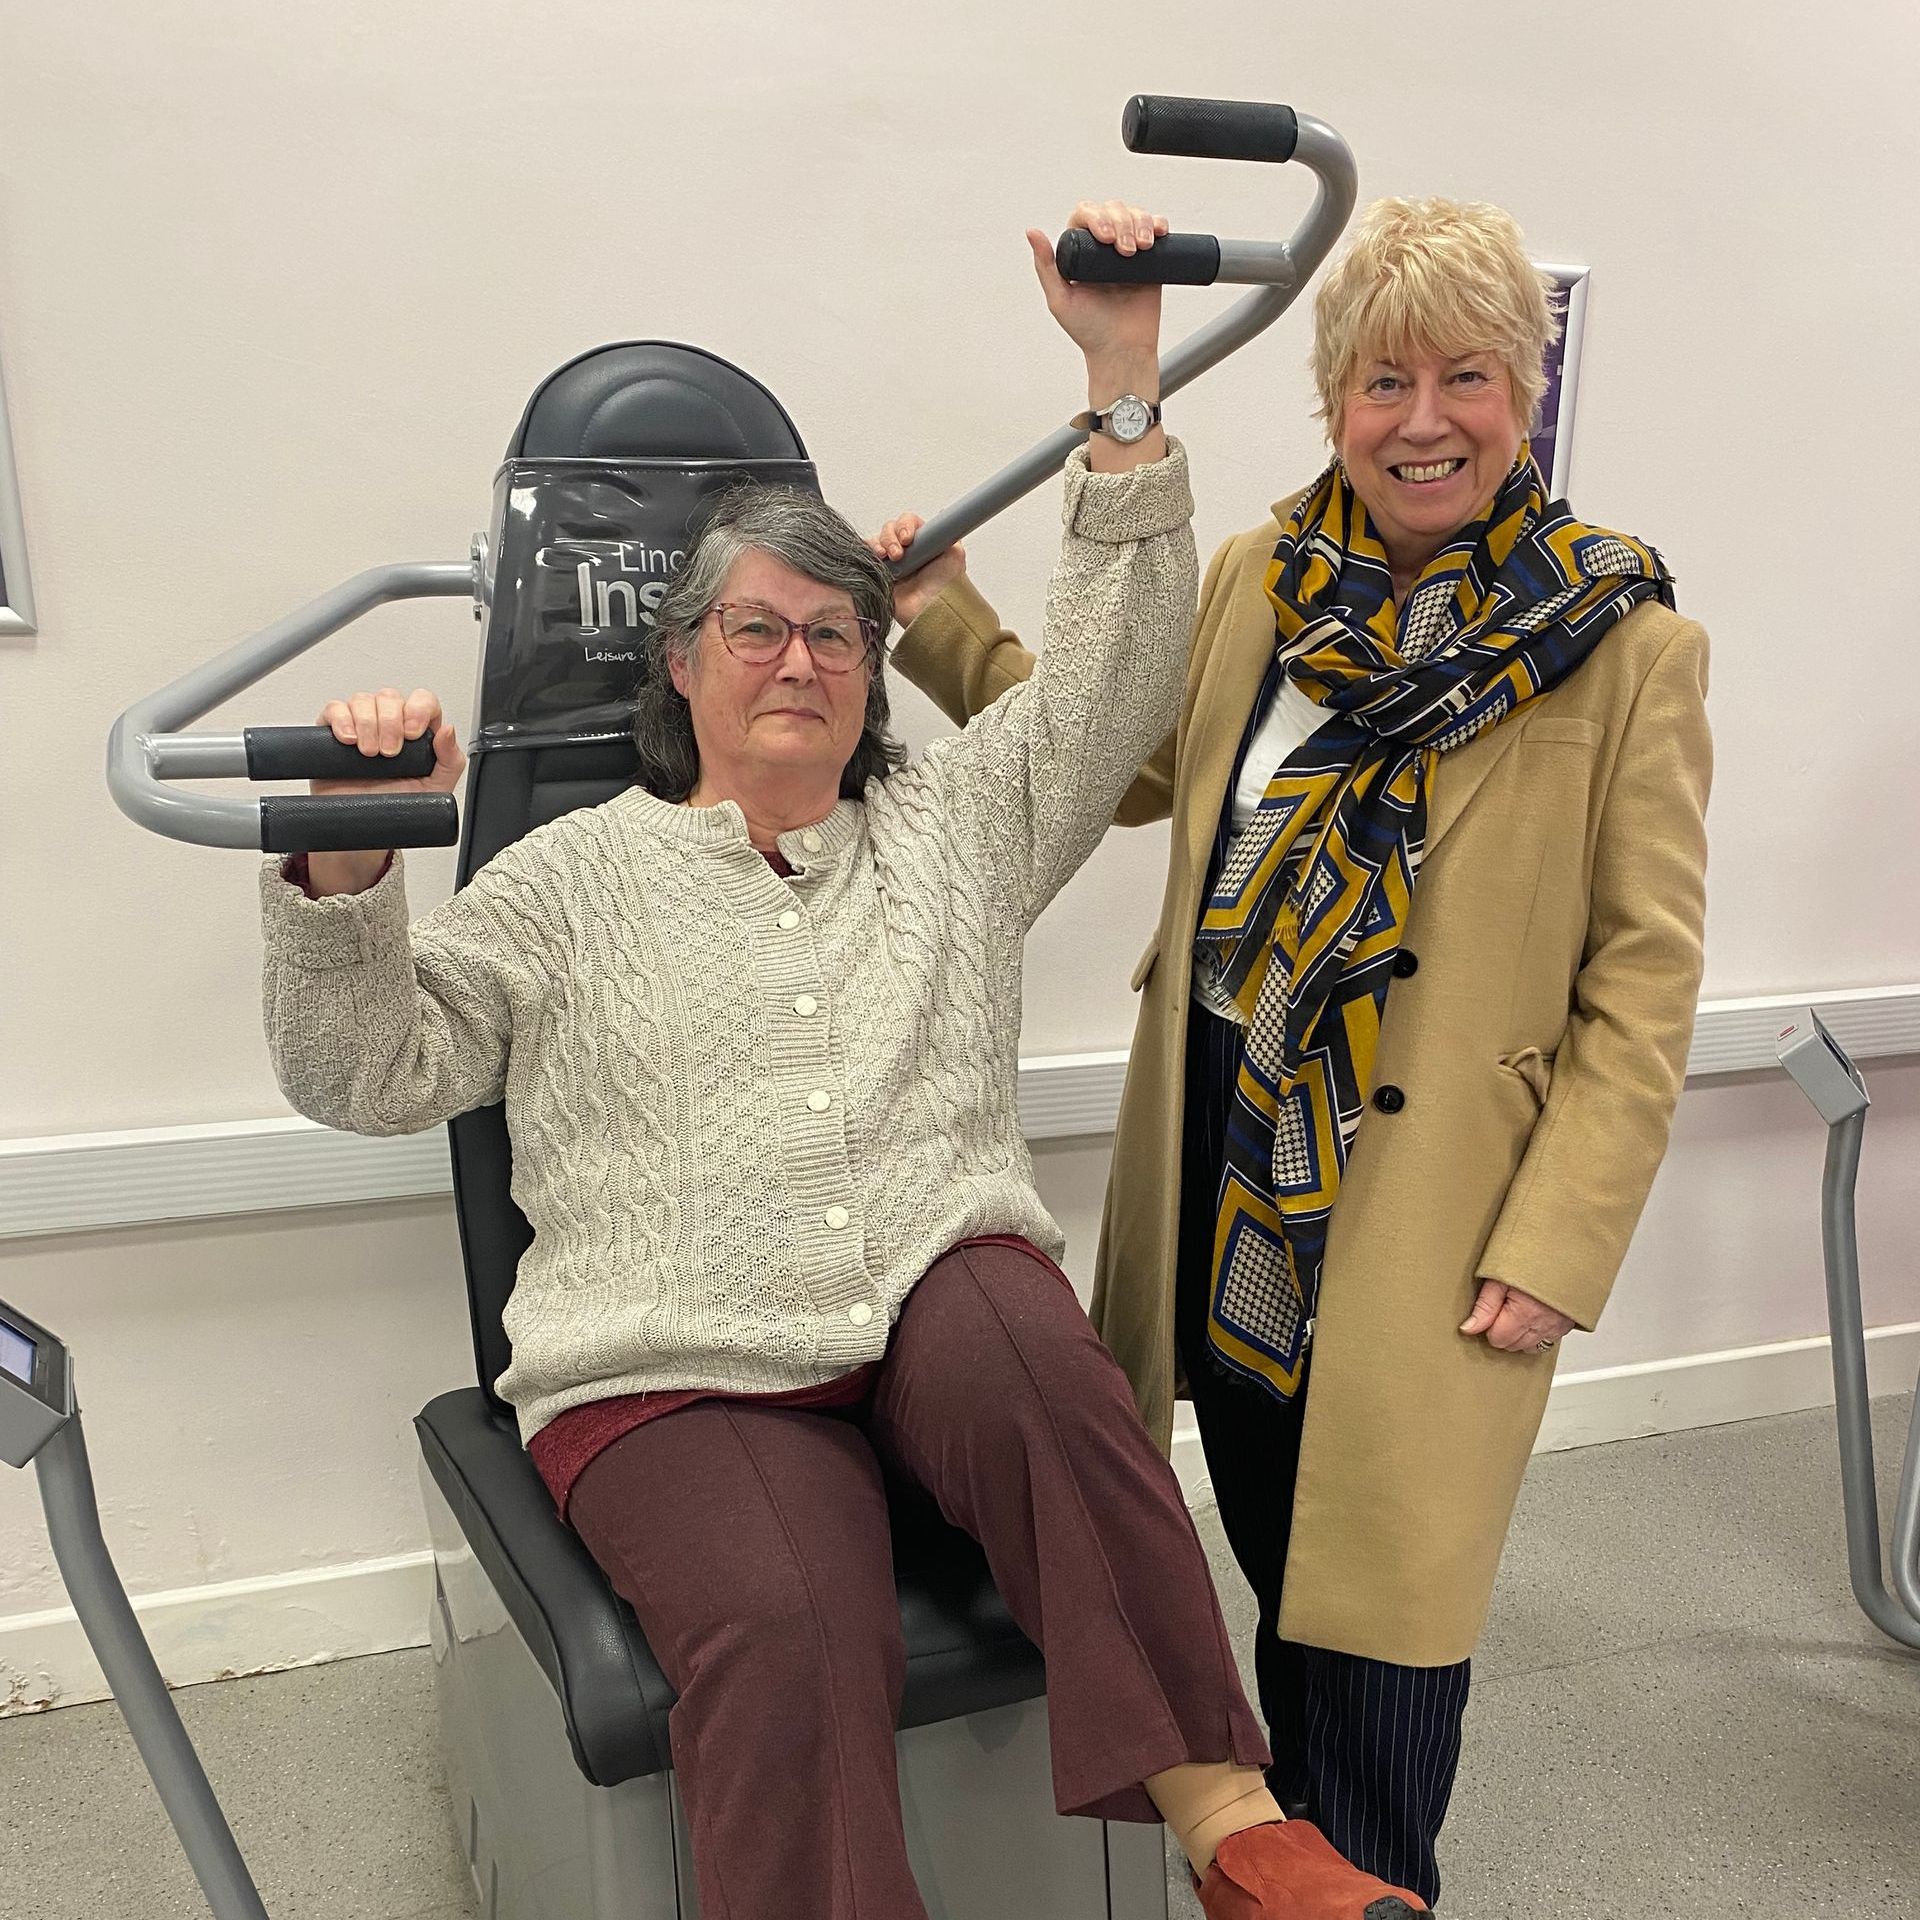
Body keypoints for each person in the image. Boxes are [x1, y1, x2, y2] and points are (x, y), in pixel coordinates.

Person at [256, 208, 1432, 1920]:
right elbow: (372, 1070)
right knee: (794, 1624)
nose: (801, 656)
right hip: (679, 1360)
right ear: (679, 667)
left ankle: (1239, 1831)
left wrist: (1121, 376)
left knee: (1040, 1356)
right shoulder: (572, 879)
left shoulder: (951, 821)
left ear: (875, 667)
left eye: (835, 630)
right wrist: (349, 872)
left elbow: (1108, 691)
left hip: (927, 1305)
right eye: (756, 628)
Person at [878, 194, 1712, 1907]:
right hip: (1230, 1181)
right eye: (1383, 381)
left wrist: (1564, 1245)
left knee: (1386, 1650)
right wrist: (944, 620)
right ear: (1335, 399)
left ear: (1524, 392)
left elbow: (1646, 983)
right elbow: (1129, 761)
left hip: (1437, 1221)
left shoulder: (1627, 646)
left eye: (1466, 378)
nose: (1424, 422)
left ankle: (1370, 1885)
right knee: (1266, 1561)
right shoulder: (1271, 575)